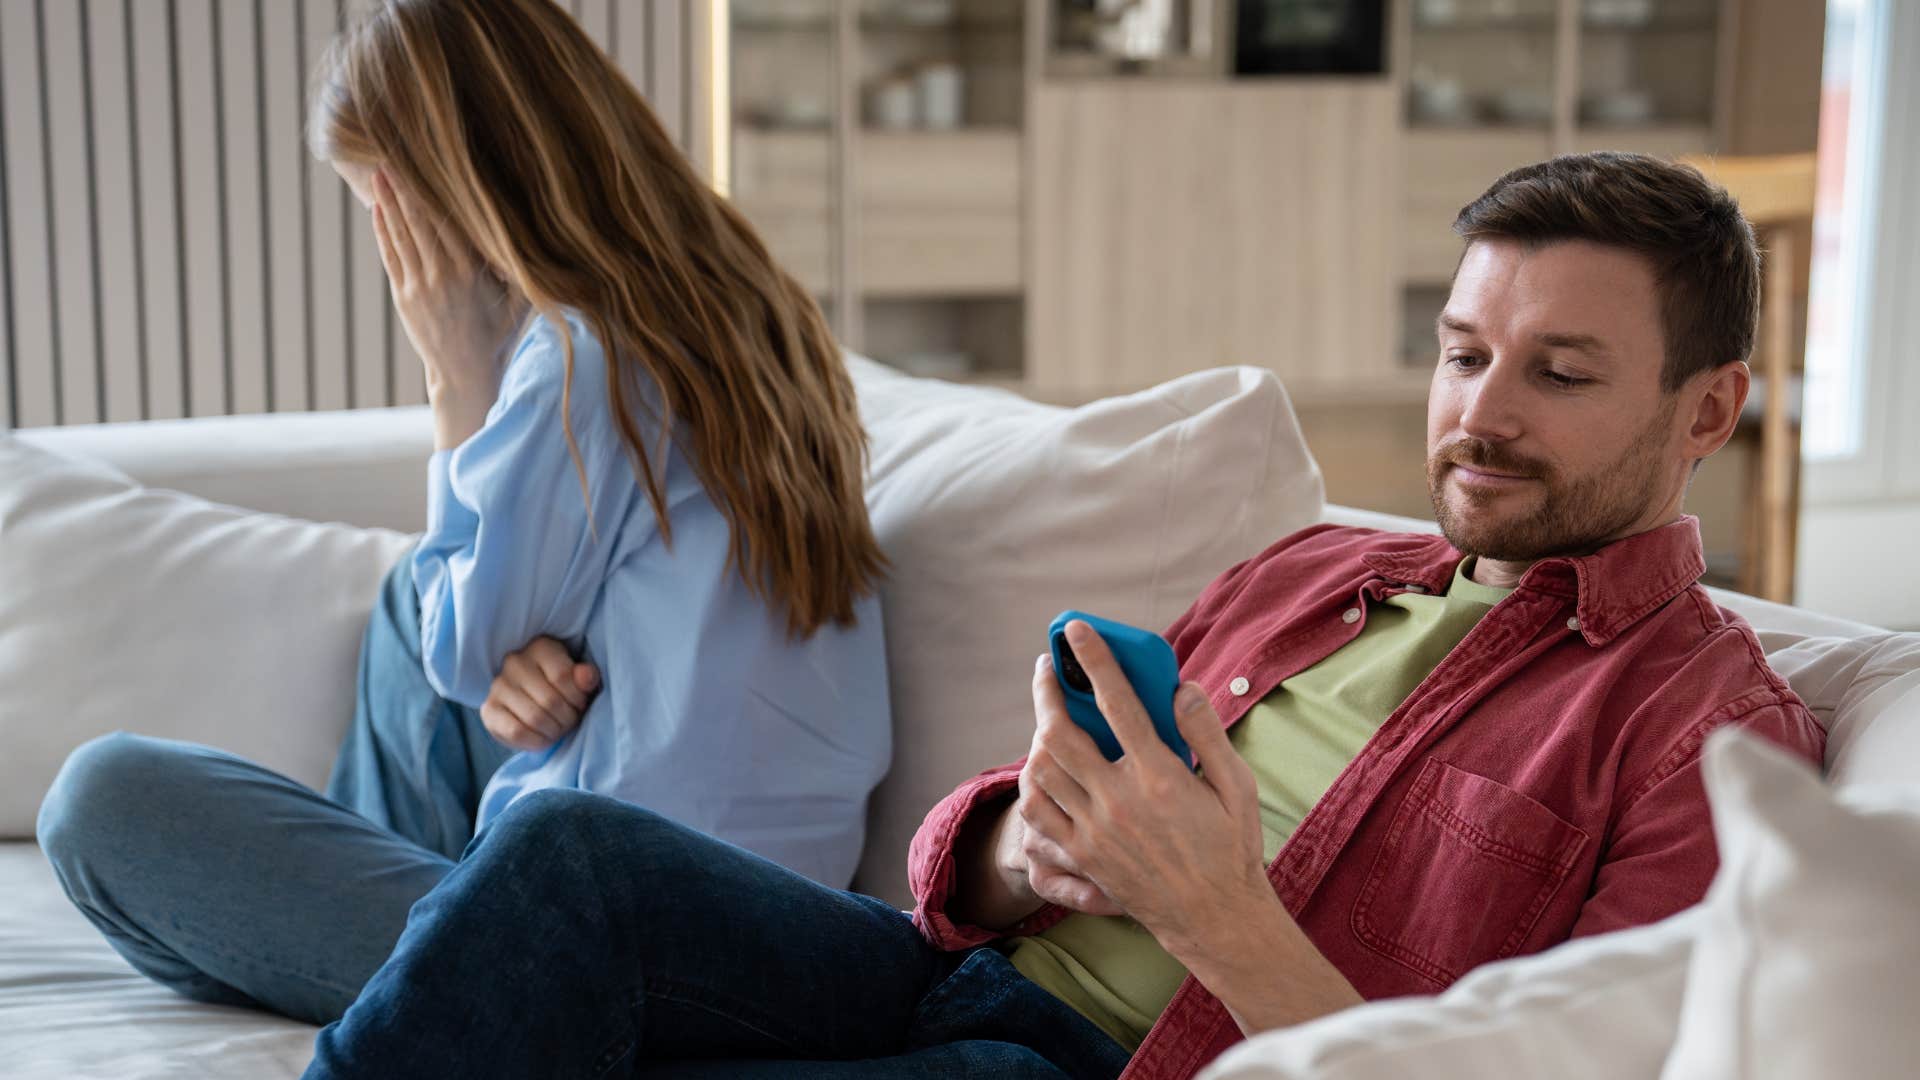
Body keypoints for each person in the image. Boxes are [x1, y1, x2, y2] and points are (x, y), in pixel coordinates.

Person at [302, 149, 1827, 1080]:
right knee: (560, 854)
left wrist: (1213, 913)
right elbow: (958, 863)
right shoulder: (1318, 574)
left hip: (1111, 1068)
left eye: (1559, 374)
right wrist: (1023, 847)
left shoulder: (1701, 732)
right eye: (1459, 353)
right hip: (957, 975)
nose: (1479, 415)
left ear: (1711, 410)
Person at [34, 0, 891, 1030]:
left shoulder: (579, 362)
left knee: (103, 802)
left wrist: (455, 383)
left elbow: (468, 649)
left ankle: (399, 977)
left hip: (627, 943)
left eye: (379, 213)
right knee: (409, 602)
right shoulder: (752, 311)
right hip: (757, 919)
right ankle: (381, 943)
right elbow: (480, 653)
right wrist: (499, 666)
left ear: (443, 195)